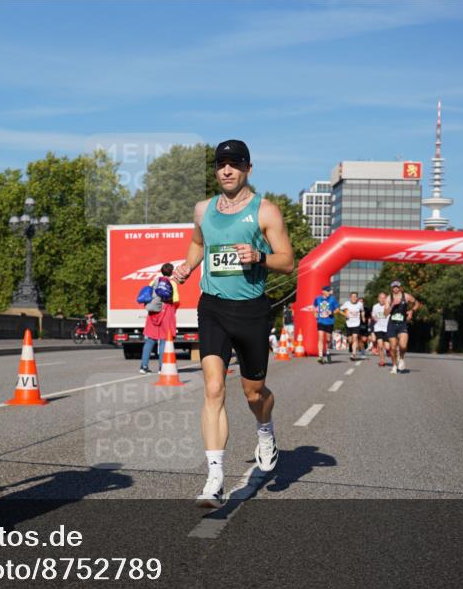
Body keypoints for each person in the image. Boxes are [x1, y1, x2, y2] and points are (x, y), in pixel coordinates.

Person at [172, 139, 295, 508]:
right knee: (212, 388)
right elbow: (198, 243)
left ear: (248, 169)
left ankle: (265, 430)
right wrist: (188, 266)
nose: (227, 170)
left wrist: (259, 256)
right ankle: (214, 478)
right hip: (212, 307)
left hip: (252, 310)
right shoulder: (202, 210)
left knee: (254, 393)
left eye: (234, 164)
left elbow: (288, 261)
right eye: (221, 164)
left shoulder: (265, 211)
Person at [139, 263, 180, 374]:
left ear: (161, 271)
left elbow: (148, 296)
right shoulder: (172, 283)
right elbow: (176, 301)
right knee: (164, 340)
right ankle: (162, 367)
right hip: (166, 312)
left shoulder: (153, 282)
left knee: (150, 340)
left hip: (153, 313)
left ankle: (143, 366)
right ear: (171, 272)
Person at [385, 280, 421, 374]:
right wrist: (392, 305)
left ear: (400, 287)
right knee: (392, 348)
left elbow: (417, 303)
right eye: (393, 287)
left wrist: (411, 311)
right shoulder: (389, 298)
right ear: (392, 288)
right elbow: (385, 314)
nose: (395, 288)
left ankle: (401, 358)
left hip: (402, 324)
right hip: (392, 324)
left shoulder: (406, 296)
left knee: (403, 346)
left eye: (397, 287)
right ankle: (394, 366)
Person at [337, 291, 365, 361]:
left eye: (355, 297)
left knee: (355, 338)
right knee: (350, 340)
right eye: (352, 297)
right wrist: (345, 314)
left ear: (357, 298)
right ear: (350, 297)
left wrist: (363, 316)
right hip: (349, 324)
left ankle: (353, 354)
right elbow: (339, 310)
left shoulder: (360, 304)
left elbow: (362, 311)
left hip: (357, 324)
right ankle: (350, 346)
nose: (354, 298)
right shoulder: (347, 303)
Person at [314, 285, 337, 364]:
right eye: (328, 291)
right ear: (323, 292)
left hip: (329, 322)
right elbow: (314, 306)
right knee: (320, 338)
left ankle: (327, 352)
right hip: (320, 321)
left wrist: (332, 312)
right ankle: (320, 356)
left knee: (328, 339)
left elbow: (337, 309)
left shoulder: (332, 299)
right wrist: (315, 313)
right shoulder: (317, 298)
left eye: (330, 291)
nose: (330, 292)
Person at [370, 291, 390, 366]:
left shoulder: (389, 306)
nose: (382, 300)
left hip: (387, 328)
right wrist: (374, 318)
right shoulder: (375, 306)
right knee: (380, 346)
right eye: (381, 298)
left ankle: (388, 351)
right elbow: (373, 316)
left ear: (386, 299)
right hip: (378, 328)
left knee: (387, 347)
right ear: (378, 299)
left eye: (384, 298)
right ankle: (382, 361)